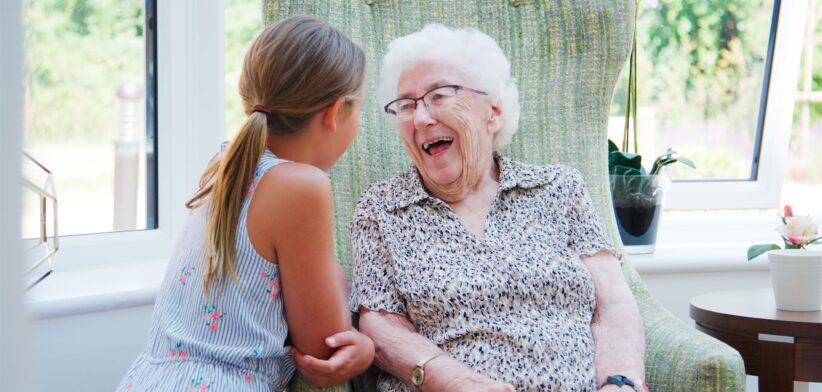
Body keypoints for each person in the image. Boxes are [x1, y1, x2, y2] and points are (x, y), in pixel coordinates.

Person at [348, 24, 645, 391]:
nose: (421, 118)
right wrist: (455, 380)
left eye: (439, 96)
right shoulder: (383, 209)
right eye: (407, 105)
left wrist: (620, 383)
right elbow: (379, 324)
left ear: (493, 112)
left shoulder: (559, 189)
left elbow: (613, 304)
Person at [115, 15, 374, 392]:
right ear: (335, 113)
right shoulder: (302, 186)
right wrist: (366, 347)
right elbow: (323, 347)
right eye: (360, 108)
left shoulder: (225, 166)